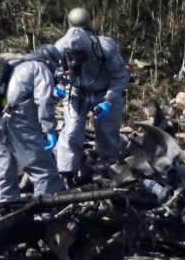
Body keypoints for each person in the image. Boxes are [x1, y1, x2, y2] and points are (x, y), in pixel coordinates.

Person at [53, 10, 130, 183]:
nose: (75, 59)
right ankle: (66, 173)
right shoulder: (60, 47)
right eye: (72, 55)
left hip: (103, 92)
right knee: (72, 130)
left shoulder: (105, 48)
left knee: (108, 132)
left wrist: (109, 100)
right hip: (74, 91)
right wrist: (56, 86)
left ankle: (109, 168)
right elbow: (51, 71)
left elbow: (121, 76)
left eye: (79, 55)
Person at [0, 45, 64, 206]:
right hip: (16, 123)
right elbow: (43, 101)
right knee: (45, 172)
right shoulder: (40, 67)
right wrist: (49, 129)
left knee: (4, 174)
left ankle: (6, 215)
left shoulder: (11, 65)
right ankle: (45, 219)